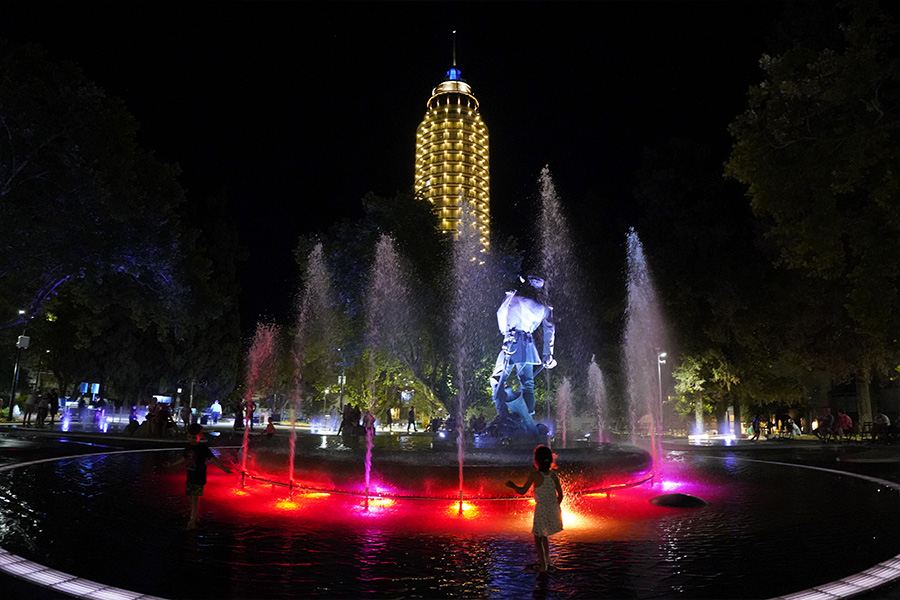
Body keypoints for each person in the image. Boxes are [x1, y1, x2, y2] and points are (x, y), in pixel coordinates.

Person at [489, 275, 556, 434]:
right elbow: (549, 331)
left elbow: (500, 316)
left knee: (497, 379)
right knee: (527, 384)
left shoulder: (514, 297)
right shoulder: (544, 307)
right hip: (527, 344)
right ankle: (524, 420)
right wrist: (548, 354)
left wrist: (507, 298)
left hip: (511, 343)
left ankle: (506, 416)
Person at [505, 445, 564, 573]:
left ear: (536, 461)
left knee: (538, 537)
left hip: (541, 509)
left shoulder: (534, 475)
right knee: (544, 535)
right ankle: (547, 560)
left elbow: (522, 491)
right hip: (552, 508)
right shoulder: (553, 475)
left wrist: (512, 485)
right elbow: (560, 495)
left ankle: (543, 567)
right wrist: (555, 506)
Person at [165, 423, 232, 530]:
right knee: (191, 498)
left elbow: (213, 458)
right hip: (190, 476)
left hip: (199, 476)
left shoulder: (203, 448)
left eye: (193, 437)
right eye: (189, 437)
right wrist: (172, 464)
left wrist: (224, 468)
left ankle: (192, 521)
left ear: (200, 436)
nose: (191, 439)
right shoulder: (188, 447)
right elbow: (184, 459)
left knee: (195, 498)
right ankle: (195, 517)